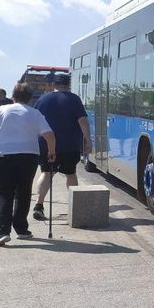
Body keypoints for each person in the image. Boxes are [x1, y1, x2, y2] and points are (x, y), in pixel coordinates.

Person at [0, 83, 56, 246]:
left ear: (13, 96)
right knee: (23, 191)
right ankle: (22, 229)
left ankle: (3, 231)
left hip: (1, 155)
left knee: (3, 192)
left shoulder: (1, 110)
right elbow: (49, 135)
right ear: (30, 98)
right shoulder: (35, 113)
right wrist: (51, 152)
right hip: (28, 156)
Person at [32, 74, 91, 221]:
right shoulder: (74, 99)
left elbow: (34, 120)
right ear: (68, 85)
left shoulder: (43, 99)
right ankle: (75, 206)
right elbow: (83, 120)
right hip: (69, 145)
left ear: (54, 85)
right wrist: (88, 140)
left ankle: (39, 205)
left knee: (46, 173)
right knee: (70, 174)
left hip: (45, 144)